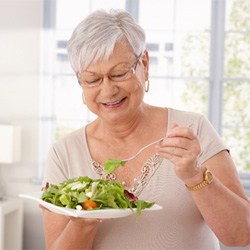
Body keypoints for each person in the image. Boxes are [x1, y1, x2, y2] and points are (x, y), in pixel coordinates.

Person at [41, 9, 250, 250]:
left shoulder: (193, 130)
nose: (108, 91)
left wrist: (195, 176)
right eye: (92, 80)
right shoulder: (63, 153)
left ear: (144, 64)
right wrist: (84, 219)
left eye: (119, 74)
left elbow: (241, 234)